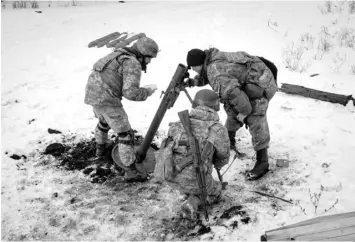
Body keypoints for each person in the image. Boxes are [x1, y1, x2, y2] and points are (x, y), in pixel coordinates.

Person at [185, 48, 278, 180]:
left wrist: (244, 113)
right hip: (252, 77)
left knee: (254, 116)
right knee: (233, 106)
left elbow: (232, 91)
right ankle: (229, 140)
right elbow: (215, 76)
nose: (194, 70)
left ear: (200, 63)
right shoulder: (211, 60)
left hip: (262, 83)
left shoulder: (214, 70)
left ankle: (263, 162)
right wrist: (195, 81)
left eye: (194, 68)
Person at [84, 37, 159, 182]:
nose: (149, 62)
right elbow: (130, 93)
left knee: (104, 121)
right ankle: (130, 171)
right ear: (142, 54)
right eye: (149, 58)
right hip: (107, 99)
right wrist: (146, 92)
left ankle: (100, 150)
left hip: (93, 95)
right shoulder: (132, 63)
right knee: (125, 134)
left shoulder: (118, 54)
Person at [154, 89, 230, 219]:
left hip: (170, 175)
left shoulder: (176, 125)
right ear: (215, 107)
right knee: (216, 191)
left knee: (190, 177)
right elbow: (223, 157)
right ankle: (194, 201)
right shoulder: (217, 129)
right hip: (195, 179)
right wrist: (212, 164)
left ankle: (185, 192)